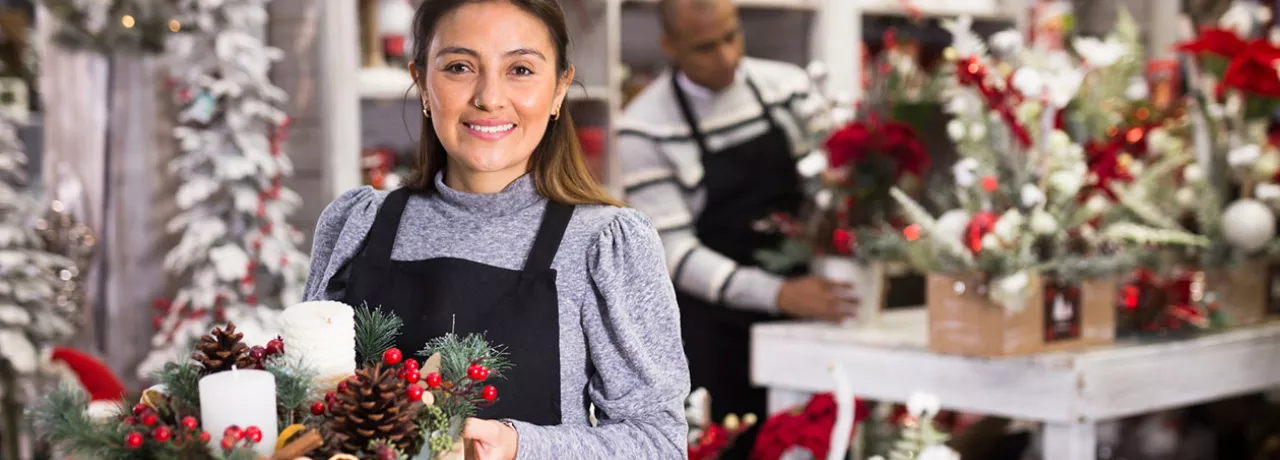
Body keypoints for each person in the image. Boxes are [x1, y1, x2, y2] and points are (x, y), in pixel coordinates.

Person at [302, 1, 689, 458]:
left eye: (521, 69)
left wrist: (520, 446)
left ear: (559, 89)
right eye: (460, 67)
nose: (489, 96)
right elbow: (306, 408)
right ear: (422, 83)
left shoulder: (604, 244)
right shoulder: (357, 223)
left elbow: (658, 443)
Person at [618, 0, 857, 455]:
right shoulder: (645, 126)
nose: (726, 56)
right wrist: (776, 293)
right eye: (704, 47)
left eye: (731, 36)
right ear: (669, 45)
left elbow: (831, 181)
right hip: (716, 333)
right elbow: (675, 252)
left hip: (805, 311)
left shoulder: (787, 87)